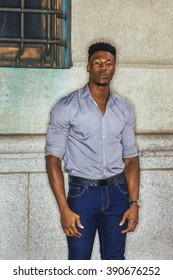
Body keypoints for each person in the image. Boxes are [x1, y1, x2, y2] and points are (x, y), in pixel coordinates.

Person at [45, 42, 140, 260]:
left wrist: (134, 203)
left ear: (114, 68)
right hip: (82, 195)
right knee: (79, 262)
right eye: (97, 62)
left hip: (118, 194)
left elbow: (131, 159)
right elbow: (53, 160)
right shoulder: (67, 107)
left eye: (108, 63)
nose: (103, 67)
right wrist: (63, 209)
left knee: (115, 261)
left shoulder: (124, 109)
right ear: (88, 67)